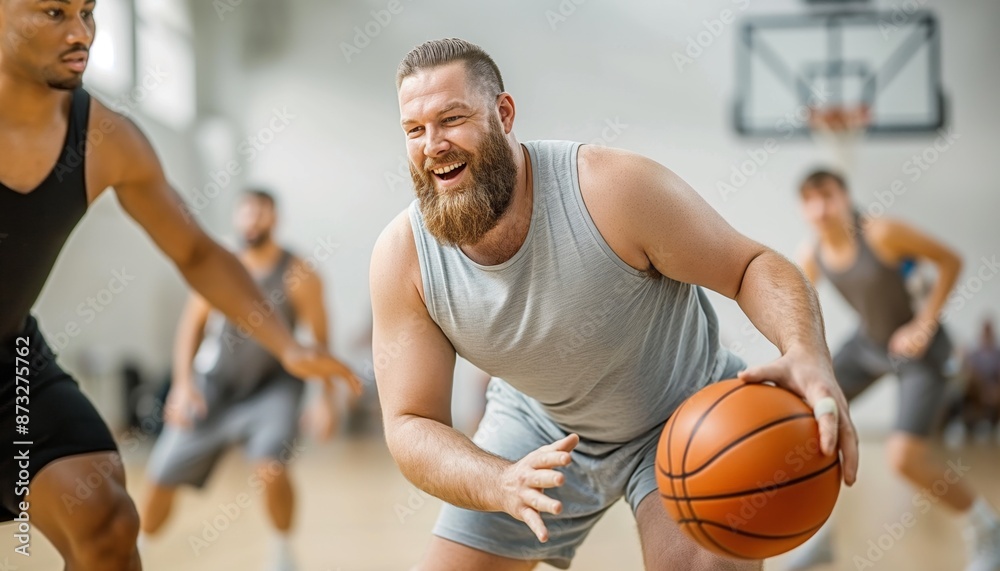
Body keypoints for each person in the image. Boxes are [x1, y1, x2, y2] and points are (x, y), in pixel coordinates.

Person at [370, 38, 858, 571]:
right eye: (414, 130)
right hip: (538, 428)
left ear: (503, 114)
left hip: (681, 412)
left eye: (452, 119)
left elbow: (750, 266)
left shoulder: (610, 189)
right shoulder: (404, 258)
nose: (432, 144)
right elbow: (411, 421)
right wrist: (499, 481)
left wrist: (807, 350)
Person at [0, 2, 357, 569]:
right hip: (207, 392)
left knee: (107, 521)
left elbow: (195, 252)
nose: (80, 33)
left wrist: (288, 347)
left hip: (12, 363)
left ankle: (281, 547)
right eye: (53, 11)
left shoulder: (104, 138)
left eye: (88, 12)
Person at [788, 170, 1000, 570]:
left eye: (828, 196)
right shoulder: (811, 253)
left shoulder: (882, 233)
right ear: (802, 208)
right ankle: (821, 537)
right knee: (802, 414)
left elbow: (950, 260)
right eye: (810, 200)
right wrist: (806, 356)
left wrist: (924, 324)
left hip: (922, 354)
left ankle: (987, 527)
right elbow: (805, 310)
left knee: (903, 459)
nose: (820, 208)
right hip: (869, 346)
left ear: (845, 197)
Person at [138, 190, 359, 570]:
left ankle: (282, 549)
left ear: (275, 220)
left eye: (261, 213)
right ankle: (137, 546)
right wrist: (183, 384)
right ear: (237, 219)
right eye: (246, 213)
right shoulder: (222, 266)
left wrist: (326, 400)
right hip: (215, 385)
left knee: (271, 468)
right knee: (160, 476)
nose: (253, 220)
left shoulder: (299, 274)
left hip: (274, 389)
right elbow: (191, 327)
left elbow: (320, 340)